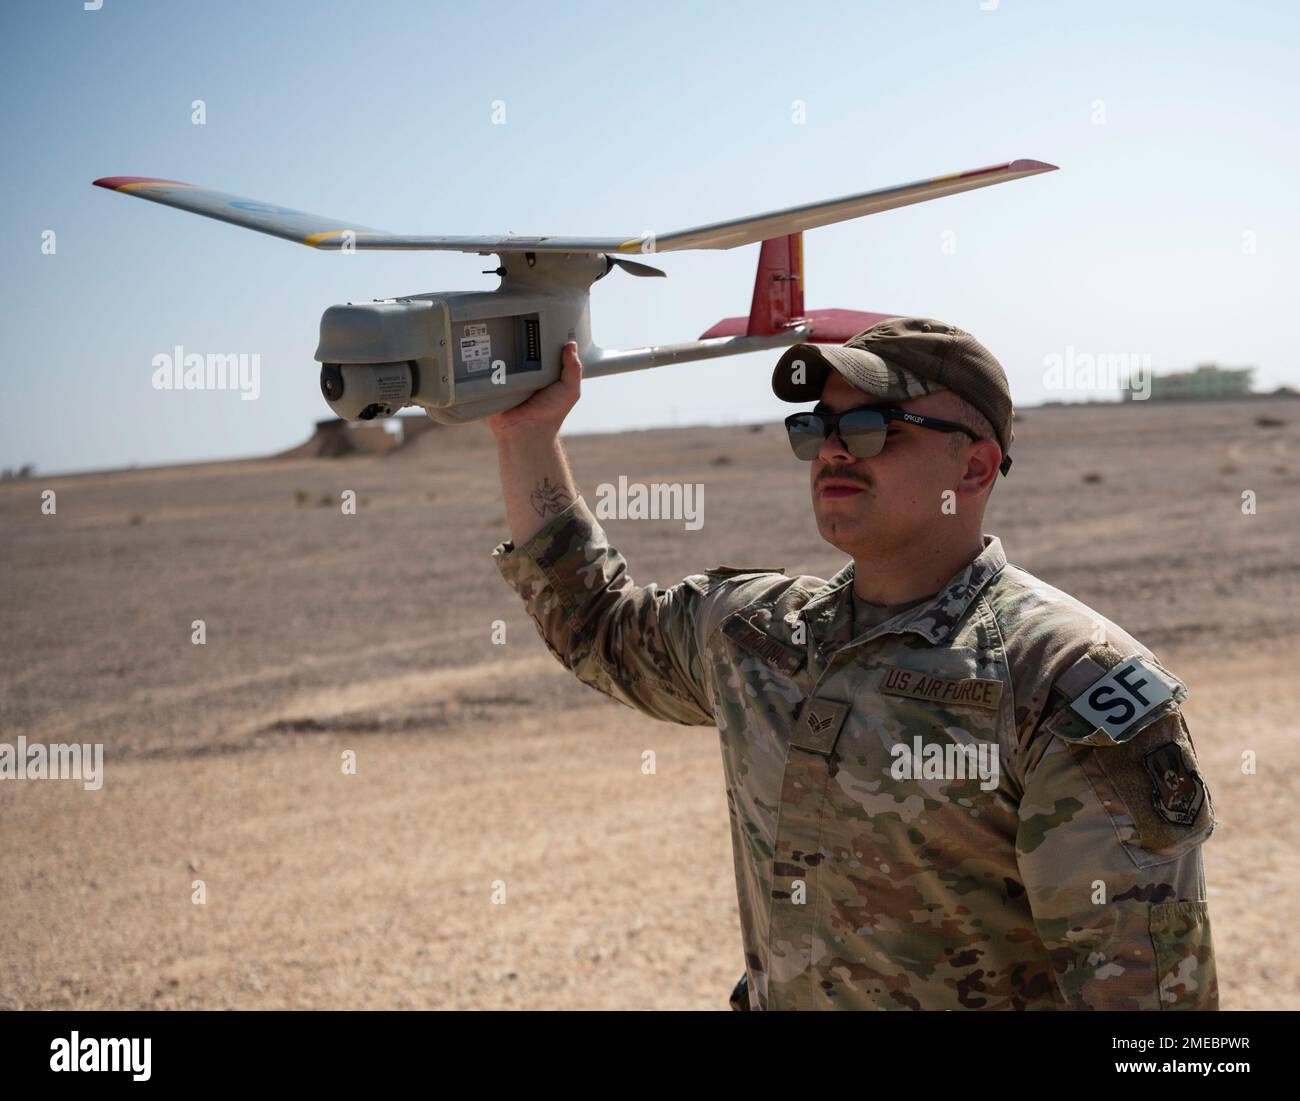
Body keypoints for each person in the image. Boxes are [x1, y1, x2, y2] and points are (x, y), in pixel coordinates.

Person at [488, 316, 1217, 1011]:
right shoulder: (758, 633)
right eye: (817, 428)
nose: (835, 449)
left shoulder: (1061, 678)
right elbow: (598, 624)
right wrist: (527, 434)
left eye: (873, 428)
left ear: (974, 464)